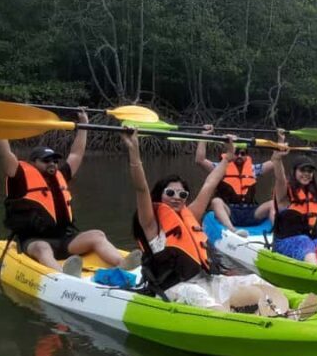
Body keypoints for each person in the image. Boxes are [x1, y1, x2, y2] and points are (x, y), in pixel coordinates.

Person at [123, 129, 292, 314]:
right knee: (197, 294)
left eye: (182, 194)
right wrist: (134, 152)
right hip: (175, 287)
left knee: (252, 279)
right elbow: (141, 189)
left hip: (206, 281)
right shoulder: (151, 224)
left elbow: (210, 184)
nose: (176, 197)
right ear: (159, 195)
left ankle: (284, 310)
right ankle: (235, 319)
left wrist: (227, 158)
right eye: (170, 193)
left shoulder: (190, 215)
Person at [0, 108, 140, 276]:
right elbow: (6, 154)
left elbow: (76, 153)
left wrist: (83, 125)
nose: (52, 164)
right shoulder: (19, 177)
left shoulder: (61, 175)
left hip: (64, 240)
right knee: (42, 248)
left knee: (97, 234)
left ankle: (123, 265)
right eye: (46, 161)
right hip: (33, 241)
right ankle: (64, 275)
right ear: (33, 162)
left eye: (55, 161)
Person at [195, 128, 285, 233]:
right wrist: (204, 136)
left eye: (243, 154)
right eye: (236, 153)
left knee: (272, 203)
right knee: (216, 201)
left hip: (251, 212)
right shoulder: (220, 168)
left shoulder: (253, 169)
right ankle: (232, 230)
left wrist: (280, 140)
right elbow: (200, 160)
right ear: (231, 152)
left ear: (247, 156)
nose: (239, 156)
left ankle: (279, 233)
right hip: (229, 211)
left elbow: (275, 161)